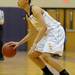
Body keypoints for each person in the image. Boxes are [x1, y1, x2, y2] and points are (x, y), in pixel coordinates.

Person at [7, 0, 69, 75]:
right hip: (47, 34)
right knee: (31, 54)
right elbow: (31, 33)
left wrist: (35, 43)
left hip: (55, 31)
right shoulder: (27, 15)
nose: (17, 1)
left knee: (45, 56)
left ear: (26, 1)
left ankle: (64, 73)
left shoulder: (35, 9)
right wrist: (19, 43)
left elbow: (44, 27)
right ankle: (47, 73)